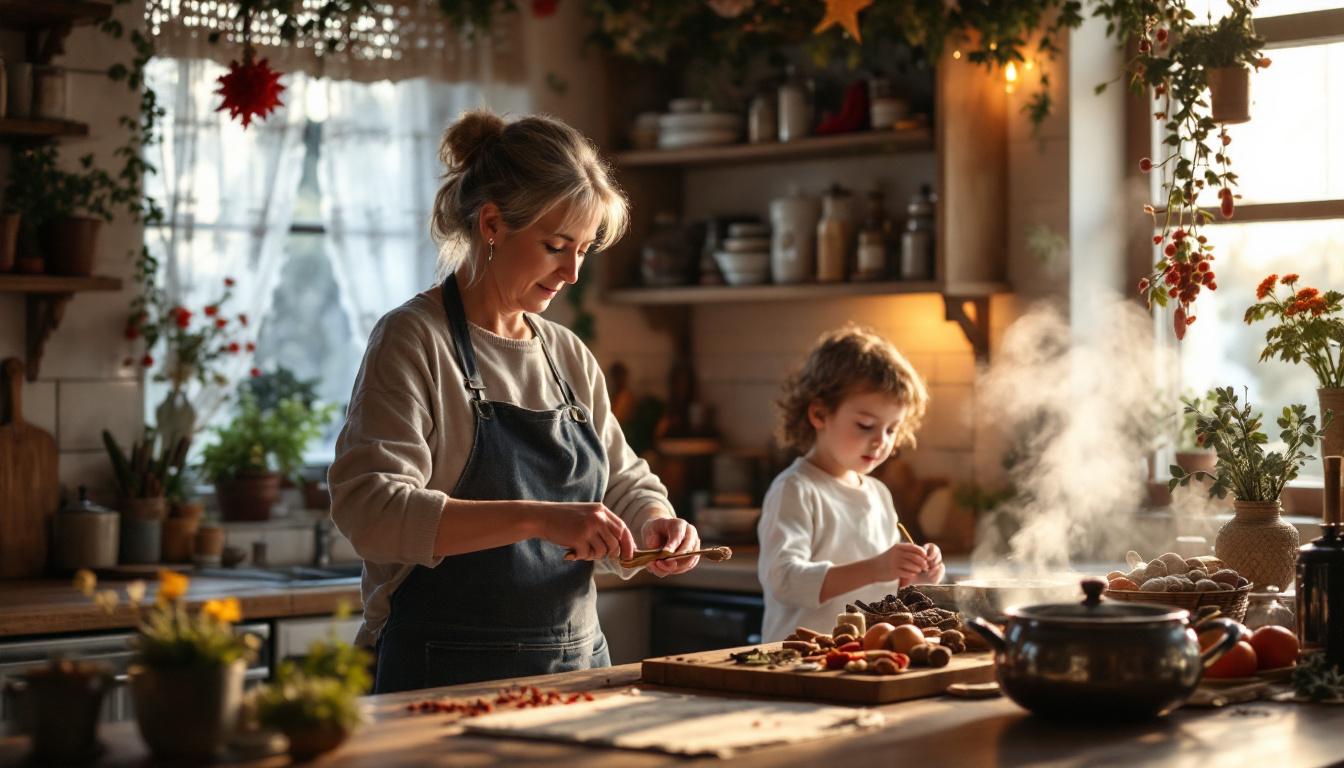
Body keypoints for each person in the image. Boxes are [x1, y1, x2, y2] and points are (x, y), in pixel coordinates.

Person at [328, 109, 701, 693]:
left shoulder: (566, 354)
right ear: (493, 224)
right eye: (556, 246)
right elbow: (370, 512)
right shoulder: (413, 340)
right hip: (441, 680)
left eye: (584, 249)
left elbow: (625, 481)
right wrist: (536, 517)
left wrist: (656, 524)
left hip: (575, 674)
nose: (573, 273)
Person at [757, 325, 943, 642]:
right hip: (798, 663)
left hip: (863, 658)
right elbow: (784, 581)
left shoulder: (879, 495)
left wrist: (914, 577)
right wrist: (877, 567)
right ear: (819, 413)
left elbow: (884, 592)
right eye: (866, 425)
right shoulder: (796, 489)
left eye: (891, 429)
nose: (880, 442)